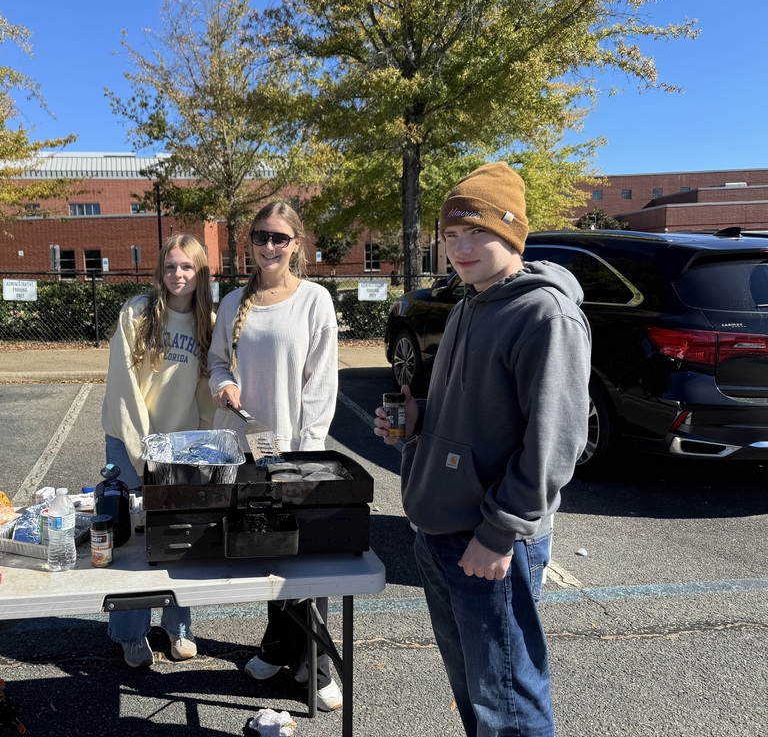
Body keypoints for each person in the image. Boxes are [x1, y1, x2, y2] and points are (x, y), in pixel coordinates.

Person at [374, 162, 591, 736]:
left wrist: (498, 534)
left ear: (513, 233)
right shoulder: (472, 302)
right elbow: (475, 417)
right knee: (476, 697)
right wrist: (417, 423)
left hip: (488, 543)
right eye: (450, 235)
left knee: (509, 708)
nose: (461, 247)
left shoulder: (545, 314)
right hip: (440, 533)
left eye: (479, 232)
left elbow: (557, 442)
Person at [207, 201, 342, 712]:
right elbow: (218, 361)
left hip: (294, 449)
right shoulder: (231, 302)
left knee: (307, 555)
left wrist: (304, 453)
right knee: (266, 550)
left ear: (297, 244)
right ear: (250, 241)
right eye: (261, 236)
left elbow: (321, 385)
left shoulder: (314, 301)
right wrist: (225, 384)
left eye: (279, 238)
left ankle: (318, 661)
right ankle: (279, 644)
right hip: (243, 448)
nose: (269, 246)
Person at [101, 233, 216, 668]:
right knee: (132, 542)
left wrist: (200, 446)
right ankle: (131, 633)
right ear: (160, 270)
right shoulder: (137, 313)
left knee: (177, 537)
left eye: (187, 267)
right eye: (170, 266)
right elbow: (124, 387)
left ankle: (177, 626)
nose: (178, 275)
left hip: (179, 444)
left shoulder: (209, 320)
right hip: (131, 437)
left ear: (200, 272)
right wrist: (141, 451)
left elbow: (206, 392)